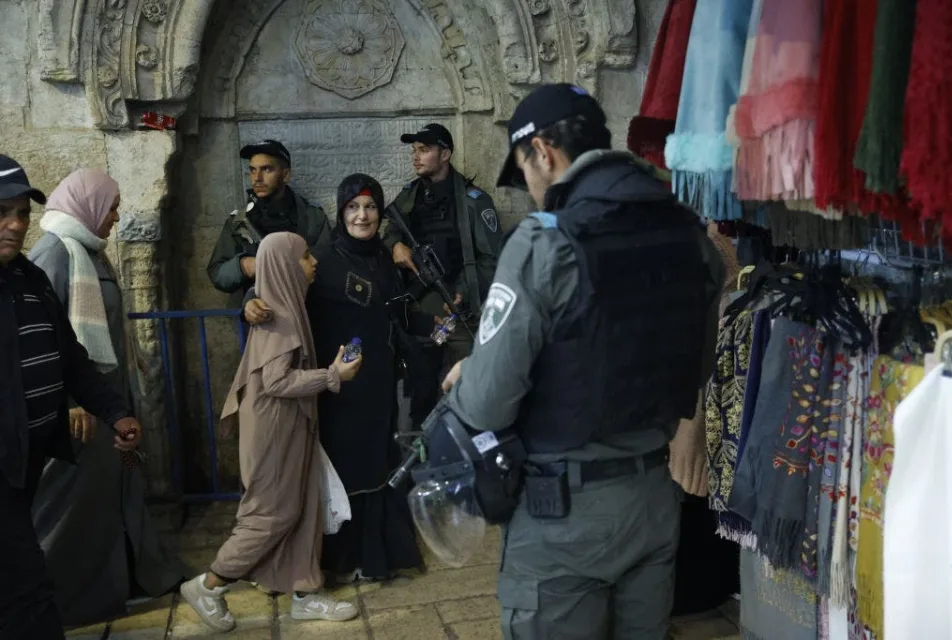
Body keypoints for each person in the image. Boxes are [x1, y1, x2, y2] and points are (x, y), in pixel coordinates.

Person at [439, 85, 726, 639]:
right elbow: (698, 367)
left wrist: (467, 373)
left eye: (523, 169)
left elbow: (485, 404)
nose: (528, 185)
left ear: (543, 153)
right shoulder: (689, 236)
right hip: (653, 503)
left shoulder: (546, 243)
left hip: (563, 516)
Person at [245, 174, 431, 583]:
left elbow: (394, 314)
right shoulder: (322, 259)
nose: (362, 215)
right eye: (353, 207)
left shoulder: (384, 257)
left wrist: (435, 324)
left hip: (378, 384)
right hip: (338, 387)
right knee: (349, 469)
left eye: (369, 207)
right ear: (340, 211)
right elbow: (279, 285)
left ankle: (376, 556)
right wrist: (250, 302)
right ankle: (340, 560)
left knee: (379, 466)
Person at [27, 169, 187, 627]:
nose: (116, 216)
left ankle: (136, 573)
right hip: (82, 415)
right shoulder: (55, 254)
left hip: (113, 406)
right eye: (111, 206)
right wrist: (71, 401)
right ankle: (60, 599)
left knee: (124, 484)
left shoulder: (91, 254)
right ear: (89, 204)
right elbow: (48, 341)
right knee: (74, 506)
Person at [181, 232, 361, 633]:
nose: (314, 263)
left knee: (301, 507)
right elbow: (277, 383)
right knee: (270, 514)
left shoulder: (285, 307)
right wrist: (335, 375)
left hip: (289, 426)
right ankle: (208, 586)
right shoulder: (278, 314)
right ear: (283, 265)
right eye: (306, 257)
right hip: (276, 431)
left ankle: (305, 591)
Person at [0, 155, 143, 640]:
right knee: (28, 588)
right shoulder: (53, 257)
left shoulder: (27, 278)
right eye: (3, 213)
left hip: (25, 460)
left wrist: (114, 410)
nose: (16, 225)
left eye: (21, 213)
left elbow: (71, 358)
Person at [382, 123, 503, 427]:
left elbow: (492, 258)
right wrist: (395, 245)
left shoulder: (474, 201)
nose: (416, 157)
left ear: (445, 154)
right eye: (414, 151)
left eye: (424, 150)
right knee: (420, 392)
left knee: (467, 389)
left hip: (459, 312)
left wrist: (461, 290)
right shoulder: (409, 197)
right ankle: (418, 462)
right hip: (421, 314)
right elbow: (389, 231)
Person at [206, 139, 330, 305]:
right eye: (252, 170)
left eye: (267, 169)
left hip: (309, 315)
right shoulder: (239, 222)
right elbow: (217, 274)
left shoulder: (312, 217)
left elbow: (328, 266)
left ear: (285, 175)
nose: (257, 178)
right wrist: (245, 266)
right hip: (262, 317)